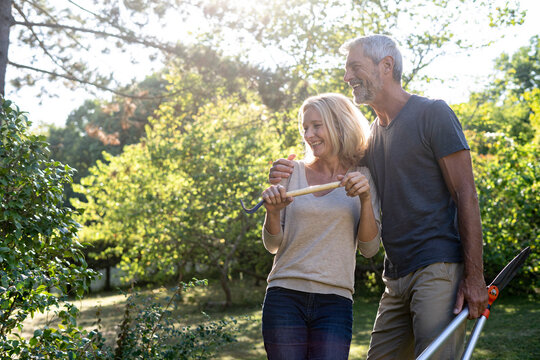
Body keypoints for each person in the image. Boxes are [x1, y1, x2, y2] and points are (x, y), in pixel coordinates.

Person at [268, 35, 489, 359]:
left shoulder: (433, 114)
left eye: (355, 67)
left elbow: (466, 195)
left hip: (436, 266)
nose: (347, 78)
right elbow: (332, 163)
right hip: (395, 274)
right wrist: (286, 171)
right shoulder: (370, 139)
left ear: (386, 65)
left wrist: (475, 277)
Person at [261, 93, 382, 360]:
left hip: (335, 302)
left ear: (339, 124)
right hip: (284, 297)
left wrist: (365, 199)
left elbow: (370, 249)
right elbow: (272, 245)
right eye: (305, 127)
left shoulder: (363, 177)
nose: (309, 134)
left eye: (317, 126)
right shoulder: (290, 172)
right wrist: (272, 212)